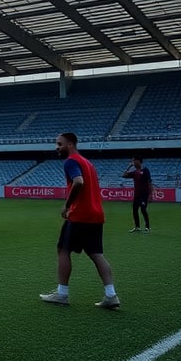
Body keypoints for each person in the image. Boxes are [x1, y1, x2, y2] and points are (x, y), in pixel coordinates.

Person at [39, 132, 120, 309]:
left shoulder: (71, 161)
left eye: (59, 144)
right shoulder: (88, 163)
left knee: (63, 249)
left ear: (70, 144)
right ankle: (111, 295)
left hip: (80, 214)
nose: (57, 147)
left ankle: (62, 294)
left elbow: (78, 182)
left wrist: (67, 205)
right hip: (96, 214)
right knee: (96, 253)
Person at [121, 157, 152, 233]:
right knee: (135, 210)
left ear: (139, 161)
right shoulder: (135, 172)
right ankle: (137, 227)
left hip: (144, 194)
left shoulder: (145, 170)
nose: (133, 162)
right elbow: (124, 175)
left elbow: (149, 182)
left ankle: (147, 227)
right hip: (137, 195)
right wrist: (129, 166)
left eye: (134, 161)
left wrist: (150, 195)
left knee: (143, 209)